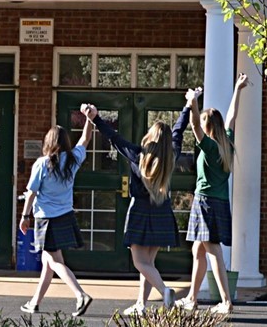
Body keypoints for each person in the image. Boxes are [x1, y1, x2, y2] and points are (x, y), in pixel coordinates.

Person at [85, 103, 179, 315]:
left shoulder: (138, 155)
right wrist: (189, 107)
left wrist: (96, 118)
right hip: (161, 210)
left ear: (151, 137)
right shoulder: (170, 157)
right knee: (149, 263)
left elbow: (114, 138)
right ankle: (141, 305)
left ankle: (165, 291)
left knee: (139, 262)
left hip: (140, 210)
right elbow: (179, 132)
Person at [173, 73, 248, 314]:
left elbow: (194, 124)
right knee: (198, 250)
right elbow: (232, 116)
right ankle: (192, 299)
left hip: (205, 202)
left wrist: (192, 101)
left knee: (213, 250)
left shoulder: (210, 145)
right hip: (219, 202)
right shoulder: (226, 141)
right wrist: (237, 88)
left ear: (208, 127)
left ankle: (226, 301)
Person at [19, 125, 94, 317]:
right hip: (65, 216)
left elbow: (32, 193)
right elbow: (85, 139)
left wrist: (24, 217)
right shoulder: (73, 160)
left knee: (53, 261)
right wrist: (89, 119)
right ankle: (35, 302)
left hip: (46, 219)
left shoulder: (42, 164)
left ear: (48, 142)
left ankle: (80, 295)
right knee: (48, 261)